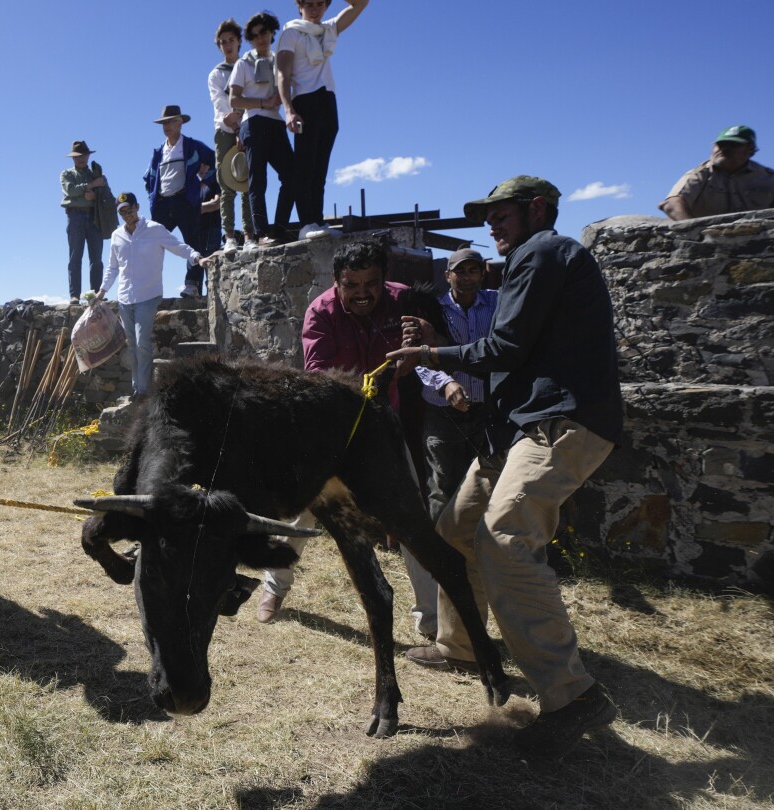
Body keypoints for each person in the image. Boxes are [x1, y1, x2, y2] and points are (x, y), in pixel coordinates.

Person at [388, 175, 624, 758]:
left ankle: (574, 696)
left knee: (505, 538)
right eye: (487, 217)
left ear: (537, 209)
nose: (491, 226)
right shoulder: (536, 257)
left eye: (502, 215)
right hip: (524, 425)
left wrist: (428, 353)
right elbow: (522, 357)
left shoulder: (542, 251)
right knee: (456, 531)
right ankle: (463, 645)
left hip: (563, 423)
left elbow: (505, 348)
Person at [256, 237, 409, 622]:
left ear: (384, 280)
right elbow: (319, 377)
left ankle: (433, 620)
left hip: (388, 424)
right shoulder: (320, 311)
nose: (362, 294)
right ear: (336, 281)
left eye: (370, 284)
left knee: (411, 513)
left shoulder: (403, 302)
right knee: (301, 511)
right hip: (330, 425)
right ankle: (274, 588)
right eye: (351, 285)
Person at [404, 247, 498, 641]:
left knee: (490, 488)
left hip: (488, 410)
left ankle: (480, 557)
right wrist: (448, 383)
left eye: (474, 270)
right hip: (443, 412)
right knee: (441, 491)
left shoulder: (498, 305)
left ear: (483, 274)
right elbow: (421, 359)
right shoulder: (432, 309)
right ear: (448, 275)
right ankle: (442, 568)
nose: (468, 277)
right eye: (461, 271)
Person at [93, 193, 207, 398]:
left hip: (149, 294)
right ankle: (137, 387)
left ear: (137, 207)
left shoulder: (154, 229)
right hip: (125, 297)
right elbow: (113, 267)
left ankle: (143, 389)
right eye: (122, 212)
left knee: (141, 342)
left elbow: (177, 246)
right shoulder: (117, 236)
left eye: (129, 209)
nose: (127, 214)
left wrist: (196, 257)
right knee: (131, 343)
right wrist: (102, 291)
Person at [275, 0, 369, 240]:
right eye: (309, 4)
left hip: (328, 99)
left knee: (320, 169)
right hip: (305, 101)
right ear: (299, 6)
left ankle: (317, 220)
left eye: (320, 4)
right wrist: (289, 109)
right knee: (305, 167)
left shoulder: (328, 28)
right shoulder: (291, 32)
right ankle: (306, 223)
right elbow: (282, 74)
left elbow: (361, 4)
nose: (315, 9)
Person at [230, 11, 297, 248]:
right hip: (254, 123)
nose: (260, 38)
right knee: (258, 182)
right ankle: (261, 233)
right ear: (249, 38)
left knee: (292, 175)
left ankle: (279, 228)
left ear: (271, 33)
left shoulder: (281, 59)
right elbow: (234, 99)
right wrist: (262, 103)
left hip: (276, 123)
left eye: (264, 33)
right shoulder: (243, 64)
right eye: (255, 35)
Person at [143, 105, 216, 299]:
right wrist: (153, 197)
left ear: (180, 123)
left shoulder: (192, 146)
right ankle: (150, 288)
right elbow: (148, 179)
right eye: (164, 122)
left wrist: (206, 181)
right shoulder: (158, 153)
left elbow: (214, 162)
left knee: (193, 243)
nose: (166, 126)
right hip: (162, 205)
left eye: (171, 121)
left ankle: (191, 285)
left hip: (185, 201)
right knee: (153, 245)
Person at [660, 125, 774, 221]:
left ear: (750, 149)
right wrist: (696, 234)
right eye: (721, 144)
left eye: (733, 145)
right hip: (707, 246)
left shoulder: (768, 178)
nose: (724, 149)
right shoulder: (700, 175)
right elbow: (672, 204)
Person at [209, 19, 255, 253]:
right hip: (225, 131)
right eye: (223, 42)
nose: (228, 45)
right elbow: (220, 104)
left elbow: (252, 94)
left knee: (246, 180)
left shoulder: (248, 65)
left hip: (248, 127)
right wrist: (236, 128)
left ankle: (249, 234)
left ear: (239, 41)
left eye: (231, 40)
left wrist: (243, 127)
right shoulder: (216, 74)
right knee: (226, 183)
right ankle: (229, 236)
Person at [60, 141, 109, 300]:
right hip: (75, 217)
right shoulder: (67, 174)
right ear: (73, 158)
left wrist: (94, 196)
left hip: (94, 216)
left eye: (83, 155)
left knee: (96, 259)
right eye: (77, 156)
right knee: (75, 257)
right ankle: (74, 295)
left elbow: (107, 196)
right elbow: (70, 190)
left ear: (88, 156)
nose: (81, 158)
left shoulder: (96, 173)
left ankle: (96, 294)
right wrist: (92, 185)